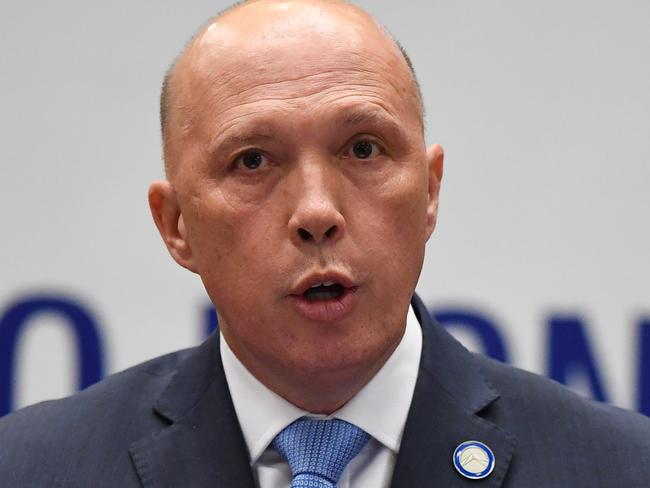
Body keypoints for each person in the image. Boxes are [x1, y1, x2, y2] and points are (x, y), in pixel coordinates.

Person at [1, 0, 650, 486]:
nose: (317, 212)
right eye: (253, 161)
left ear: (428, 191)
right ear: (176, 226)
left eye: (363, 149)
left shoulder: (618, 468)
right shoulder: (33, 468)